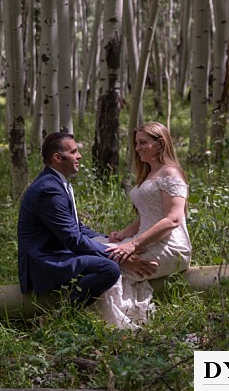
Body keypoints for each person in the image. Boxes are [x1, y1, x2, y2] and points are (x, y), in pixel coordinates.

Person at [17, 132, 156, 308]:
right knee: (109, 269)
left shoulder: (56, 182)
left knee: (109, 254)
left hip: (58, 252)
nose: (79, 156)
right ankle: (65, 314)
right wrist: (118, 257)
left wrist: (107, 239)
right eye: (74, 152)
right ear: (58, 158)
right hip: (45, 261)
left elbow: (77, 228)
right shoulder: (48, 190)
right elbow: (72, 238)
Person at [94, 121, 192, 329]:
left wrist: (133, 245)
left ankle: (117, 324)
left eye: (143, 142)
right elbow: (147, 214)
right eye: (136, 143)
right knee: (97, 247)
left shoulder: (171, 173)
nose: (137, 148)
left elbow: (173, 219)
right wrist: (123, 235)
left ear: (160, 143)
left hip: (171, 247)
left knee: (108, 263)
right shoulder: (150, 173)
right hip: (146, 240)